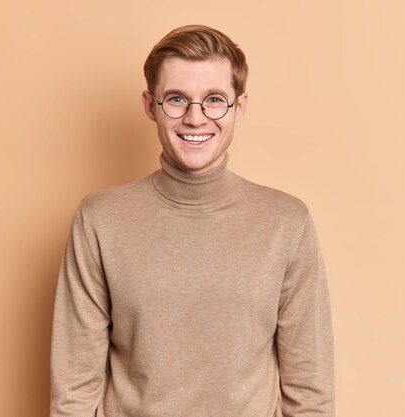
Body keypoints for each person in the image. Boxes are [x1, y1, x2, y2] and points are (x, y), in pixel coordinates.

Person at [50, 24, 334, 417]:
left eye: (214, 99)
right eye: (177, 99)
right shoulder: (99, 220)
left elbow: (310, 389)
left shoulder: (287, 223)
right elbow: (74, 386)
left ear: (240, 106)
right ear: (151, 106)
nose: (196, 118)